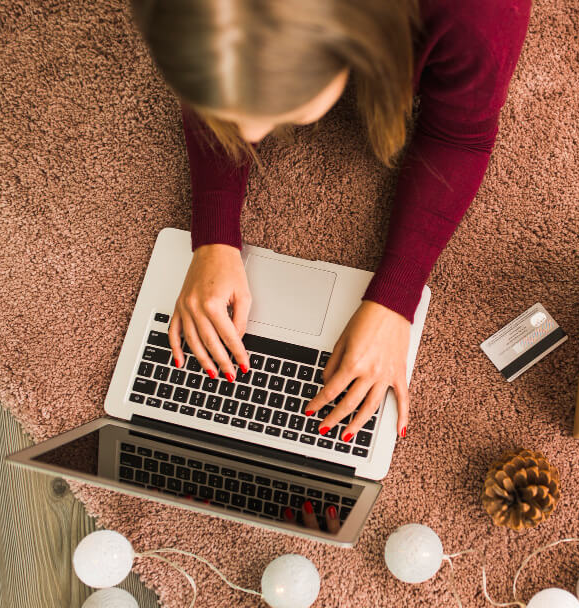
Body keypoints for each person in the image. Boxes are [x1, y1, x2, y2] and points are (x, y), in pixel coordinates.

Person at [131, 0, 531, 444]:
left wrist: (398, 297)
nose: (248, 136)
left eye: (274, 109)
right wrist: (214, 234)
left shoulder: (478, 15)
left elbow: (459, 136)